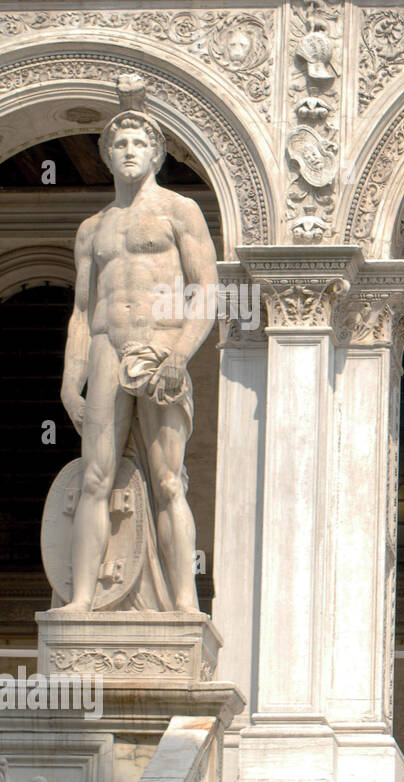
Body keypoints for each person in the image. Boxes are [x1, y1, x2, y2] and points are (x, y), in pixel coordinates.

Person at [54, 75, 219, 614]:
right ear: (105, 156)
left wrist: (179, 354)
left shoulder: (179, 211)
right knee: (96, 477)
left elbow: (209, 290)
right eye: (119, 144)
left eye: (139, 143)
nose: (128, 151)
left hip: (160, 349)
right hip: (105, 348)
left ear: (156, 154)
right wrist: (68, 383)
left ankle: (186, 603)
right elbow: (82, 311)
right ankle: (82, 599)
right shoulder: (91, 228)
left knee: (169, 481)